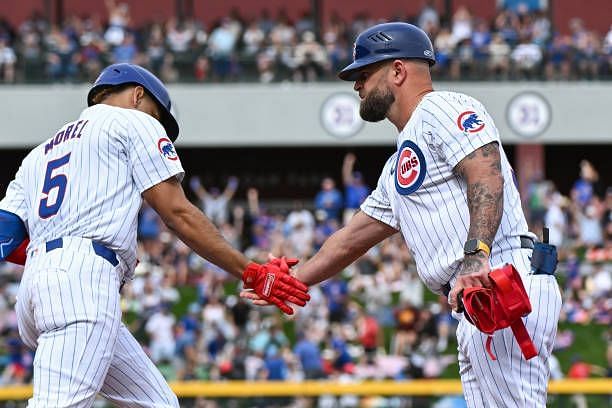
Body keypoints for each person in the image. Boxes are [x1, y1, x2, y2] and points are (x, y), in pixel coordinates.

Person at [244, 22, 561, 407]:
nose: (356, 84)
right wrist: (294, 281)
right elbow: (351, 238)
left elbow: (486, 173)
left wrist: (477, 255)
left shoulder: (443, 108)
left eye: (364, 73)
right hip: (475, 293)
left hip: (498, 280)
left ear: (398, 70)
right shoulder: (399, 163)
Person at [0, 63, 310, 407]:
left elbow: (5, 235)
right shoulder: (133, 120)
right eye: (157, 115)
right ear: (138, 95)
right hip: (81, 280)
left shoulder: (37, 155)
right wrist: (250, 271)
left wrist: (49, 264)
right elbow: (177, 214)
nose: (158, 123)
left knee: (159, 404)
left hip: (40, 285)